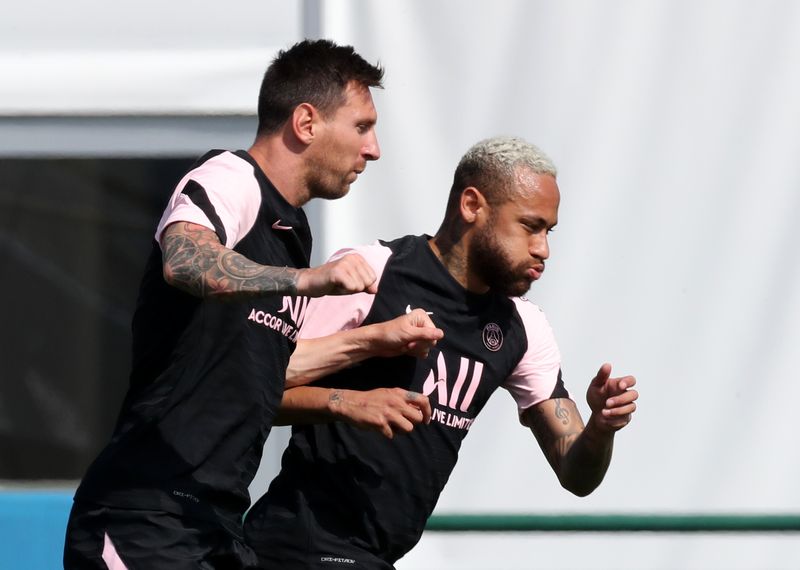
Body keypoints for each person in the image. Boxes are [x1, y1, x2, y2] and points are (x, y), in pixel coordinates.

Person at [63, 39, 442, 570]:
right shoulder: (230, 177)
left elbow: (263, 366)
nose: (373, 149)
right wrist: (306, 280)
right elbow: (185, 259)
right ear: (307, 123)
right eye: (361, 127)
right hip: (145, 515)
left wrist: (368, 350)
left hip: (214, 524)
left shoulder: (293, 229)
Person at [243, 136, 640, 569]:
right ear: (472, 205)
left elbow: (575, 475)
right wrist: (347, 402)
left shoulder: (522, 328)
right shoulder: (372, 273)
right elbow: (253, 390)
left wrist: (601, 428)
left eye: (549, 231)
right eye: (530, 226)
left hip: (377, 556)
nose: (543, 249)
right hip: (294, 546)